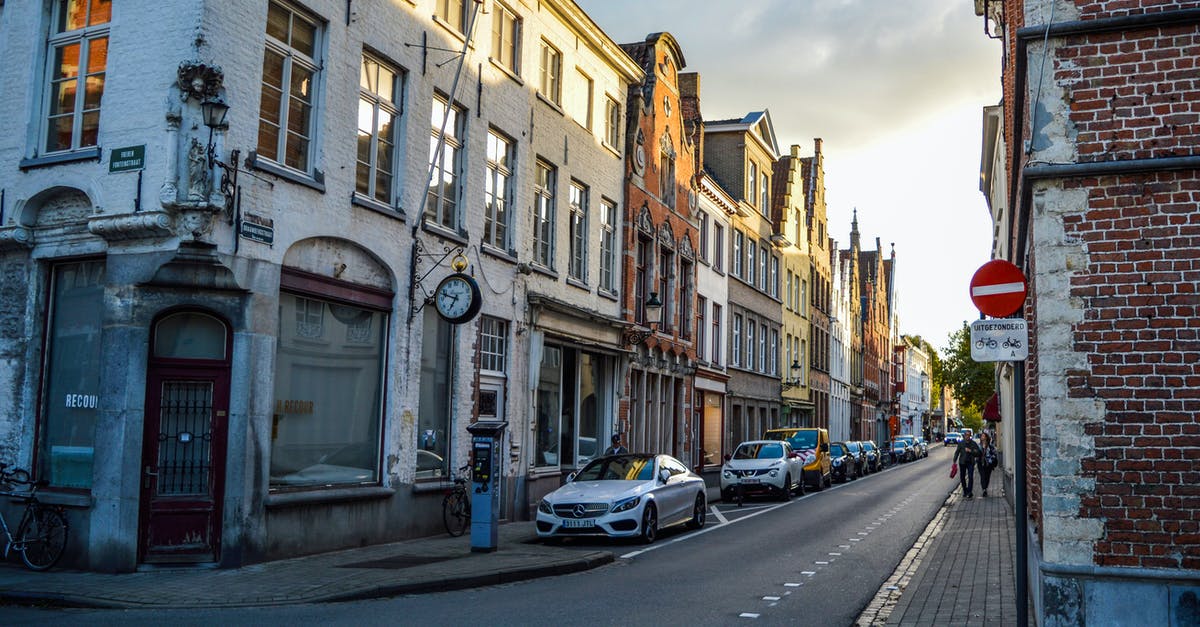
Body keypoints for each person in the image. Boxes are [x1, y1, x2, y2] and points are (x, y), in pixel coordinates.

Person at [953, 431, 982, 498]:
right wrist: (954, 460)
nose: (967, 436)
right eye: (966, 435)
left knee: (970, 477)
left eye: (968, 435)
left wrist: (970, 451)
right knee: (962, 477)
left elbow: (978, 453)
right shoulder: (961, 443)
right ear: (964, 436)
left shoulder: (973, 443)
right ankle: (965, 490)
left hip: (970, 462)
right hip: (962, 462)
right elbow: (957, 452)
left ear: (970, 436)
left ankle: (969, 492)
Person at [978, 432, 998, 497]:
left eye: (983, 436)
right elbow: (977, 454)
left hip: (988, 464)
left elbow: (994, 454)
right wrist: (983, 449)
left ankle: (985, 488)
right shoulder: (979, 446)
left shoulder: (990, 446)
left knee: (987, 476)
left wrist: (991, 459)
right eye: (981, 436)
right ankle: (984, 489)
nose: (982, 437)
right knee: (982, 476)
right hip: (981, 463)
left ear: (986, 437)